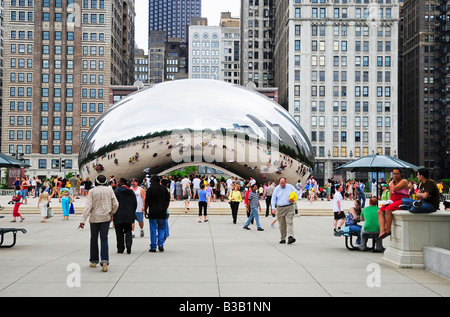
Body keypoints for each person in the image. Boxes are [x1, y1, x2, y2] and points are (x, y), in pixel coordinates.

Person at [78, 175, 118, 272]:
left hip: (94, 218)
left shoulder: (92, 191)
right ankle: (104, 261)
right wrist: (112, 213)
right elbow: (116, 204)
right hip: (105, 218)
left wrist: (83, 220)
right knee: (104, 239)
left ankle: (94, 260)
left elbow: (88, 206)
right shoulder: (109, 190)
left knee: (94, 239)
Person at [377, 168, 409, 240]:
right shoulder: (392, 183)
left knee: (388, 210)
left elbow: (394, 189)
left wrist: (391, 184)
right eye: (394, 174)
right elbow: (390, 196)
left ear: (401, 174)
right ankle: (382, 231)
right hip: (394, 200)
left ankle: (388, 230)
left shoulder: (404, 181)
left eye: (397, 174)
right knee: (380, 211)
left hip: (402, 200)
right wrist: (387, 201)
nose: (395, 175)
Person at [145, 175, 170, 252]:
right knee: (161, 228)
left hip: (153, 212)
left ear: (153, 181)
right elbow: (167, 200)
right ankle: (161, 244)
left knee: (153, 229)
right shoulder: (164, 189)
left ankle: (153, 246)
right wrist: (165, 209)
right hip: (162, 212)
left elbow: (147, 201)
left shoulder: (150, 189)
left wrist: (145, 211)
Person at [113, 178, 137, 254]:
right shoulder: (131, 192)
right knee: (128, 231)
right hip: (128, 215)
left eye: (118, 182)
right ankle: (128, 246)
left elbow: (113, 203)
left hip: (118, 215)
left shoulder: (116, 192)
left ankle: (120, 248)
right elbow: (135, 203)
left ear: (122, 183)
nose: (117, 183)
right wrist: (132, 212)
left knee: (119, 232)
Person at [271, 177, 297, 244]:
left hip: (289, 207)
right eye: (281, 183)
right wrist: (273, 208)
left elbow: (297, 193)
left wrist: (294, 199)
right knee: (282, 224)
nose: (283, 184)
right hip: (280, 208)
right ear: (279, 183)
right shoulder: (277, 189)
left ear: (286, 182)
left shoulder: (290, 187)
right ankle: (283, 238)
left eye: (284, 183)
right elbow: (273, 198)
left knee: (289, 222)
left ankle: (291, 237)